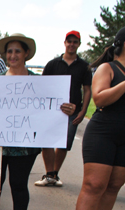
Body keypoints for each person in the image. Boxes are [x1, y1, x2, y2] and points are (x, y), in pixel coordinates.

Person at [0, 33, 74, 210]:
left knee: (18, 184)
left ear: (26, 54)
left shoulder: (40, 83)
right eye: (9, 51)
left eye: (17, 51)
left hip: (25, 145)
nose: (13, 55)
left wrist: (67, 109)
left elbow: (52, 108)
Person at [70, 28, 125, 210]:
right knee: (94, 185)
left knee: (113, 185)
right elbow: (100, 97)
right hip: (103, 132)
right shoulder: (108, 68)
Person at [36, 30, 93, 187]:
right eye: (69, 41)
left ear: (79, 44)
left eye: (75, 42)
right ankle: (48, 174)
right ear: (65, 43)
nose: (71, 44)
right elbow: (42, 86)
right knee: (46, 141)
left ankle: (55, 174)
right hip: (51, 110)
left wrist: (82, 111)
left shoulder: (84, 66)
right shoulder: (53, 64)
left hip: (72, 112)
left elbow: (87, 89)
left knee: (63, 144)